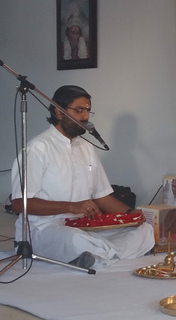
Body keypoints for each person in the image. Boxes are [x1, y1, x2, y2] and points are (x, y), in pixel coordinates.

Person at [10, 85, 154, 269]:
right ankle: (102, 254)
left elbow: (102, 196)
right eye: (79, 110)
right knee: (74, 239)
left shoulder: (86, 148)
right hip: (46, 229)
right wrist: (72, 206)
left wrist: (131, 214)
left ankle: (98, 255)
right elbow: (19, 203)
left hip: (85, 226)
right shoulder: (37, 149)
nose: (85, 117)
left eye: (87, 111)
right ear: (59, 112)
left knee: (143, 229)